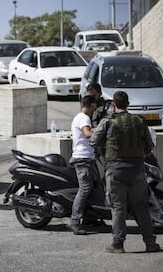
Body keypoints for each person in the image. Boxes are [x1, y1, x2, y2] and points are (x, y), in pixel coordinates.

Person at [90, 91, 160, 253]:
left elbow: (93, 141)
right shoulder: (139, 121)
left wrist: (104, 150)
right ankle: (150, 243)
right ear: (128, 104)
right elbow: (149, 147)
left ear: (114, 104)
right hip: (137, 170)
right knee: (141, 207)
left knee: (118, 207)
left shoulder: (107, 122)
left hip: (115, 170)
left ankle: (118, 244)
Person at [68, 95, 97, 235]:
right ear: (90, 105)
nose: (94, 109)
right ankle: (74, 221)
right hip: (83, 159)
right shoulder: (84, 118)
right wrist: (100, 131)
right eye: (94, 106)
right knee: (85, 188)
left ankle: (89, 217)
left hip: (87, 158)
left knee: (93, 187)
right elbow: (87, 133)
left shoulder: (79, 117)